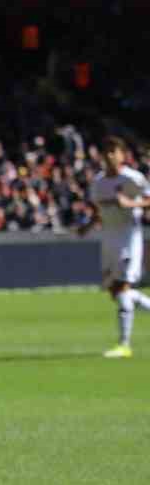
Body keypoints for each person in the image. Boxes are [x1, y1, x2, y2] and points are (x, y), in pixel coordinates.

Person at [90, 136, 150, 358]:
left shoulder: (133, 178)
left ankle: (124, 345)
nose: (109, 156)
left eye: (113, 151)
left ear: (123, 155)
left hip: (128, 238)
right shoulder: (98, 182)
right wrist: (87, 227)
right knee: (115, 291)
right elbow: (98, 210)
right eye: (105, 151)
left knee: (123, 287)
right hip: (109, 239)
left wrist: (131, 204)